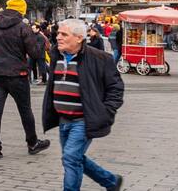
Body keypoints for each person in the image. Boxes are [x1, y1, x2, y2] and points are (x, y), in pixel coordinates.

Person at [42, 19, 125, 191]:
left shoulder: (100, 58)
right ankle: (111, 181)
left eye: (64, 34)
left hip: (84, 119)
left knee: (71, 158)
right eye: (58, 33)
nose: (58, 37)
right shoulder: (56, 54)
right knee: (73, 157)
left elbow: (116, 88)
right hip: (63, 119)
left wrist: (105, 111)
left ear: (79, 38)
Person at [0, 0, 50, 160]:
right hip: (18, 75)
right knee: (25, 110)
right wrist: (38, 38)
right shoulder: (23, 27)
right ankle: (32, 143)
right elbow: (35, 53)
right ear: (22, 10)